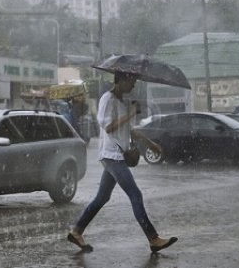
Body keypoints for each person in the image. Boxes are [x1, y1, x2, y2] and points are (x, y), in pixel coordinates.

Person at [67, 71, 178, 254]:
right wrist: (131, 113)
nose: (133, 84)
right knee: (136, 194)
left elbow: (129, 130)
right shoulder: (107, 99)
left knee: (102, 197)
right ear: (120, 80)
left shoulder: (121, 102)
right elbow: (108, 127)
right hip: (111, 155)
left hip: (116, 155)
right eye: (131, 80)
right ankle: (153, 238)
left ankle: (77, 231)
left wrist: (151, 144)